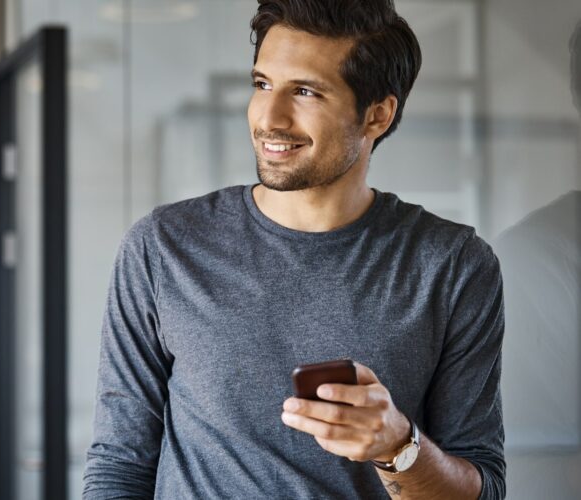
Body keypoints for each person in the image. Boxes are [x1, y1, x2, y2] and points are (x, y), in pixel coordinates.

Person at [82, 0, 505, 498]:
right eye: (262, 84)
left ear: (377, 115)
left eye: (305, 91)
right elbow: (118, 466)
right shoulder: (163, 246)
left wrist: (398, 446)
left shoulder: (453, 265)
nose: (269, 118)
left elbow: (485, 489)